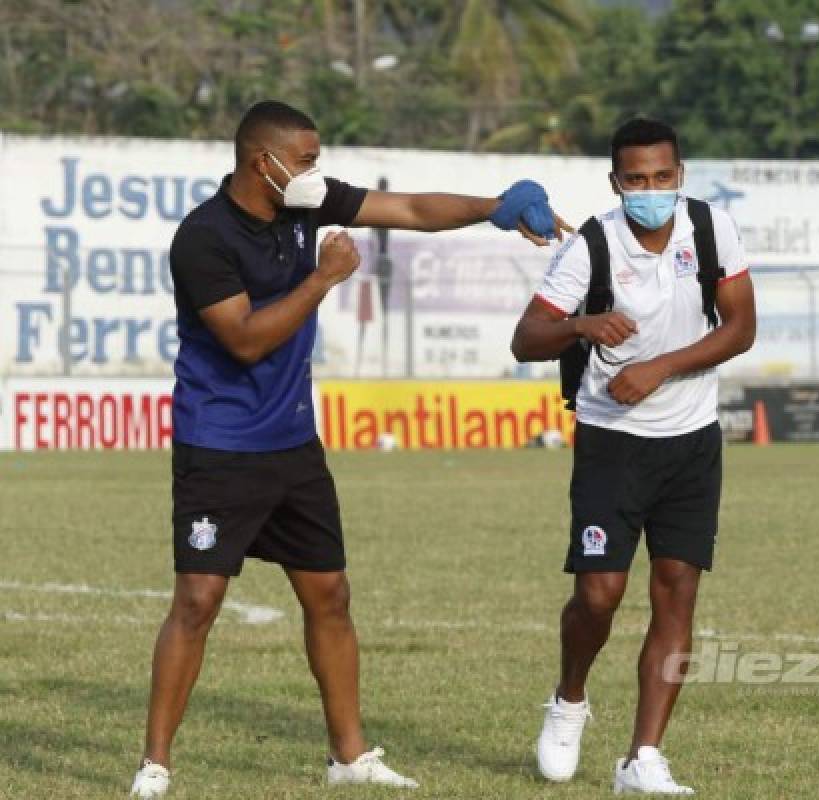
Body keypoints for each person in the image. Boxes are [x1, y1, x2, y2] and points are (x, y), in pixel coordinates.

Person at [130, 100, 569, 798]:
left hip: (294, 444)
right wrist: (322, 278)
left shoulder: (306, 203)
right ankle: (155, 765)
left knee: (330, 594)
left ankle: (349, 758)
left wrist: (495, 207)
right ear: (262, 163)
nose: (316, 170)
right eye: (305, 159)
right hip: (219, 443)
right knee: (198, 600)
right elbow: (244, 340)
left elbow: (411, 210)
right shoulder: (203, 238)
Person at [510, 118, 756, 795]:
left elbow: (741, 327)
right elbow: (526, 339)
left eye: (663, 177)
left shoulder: (711, 228)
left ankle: (642, 757)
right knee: (600, 595)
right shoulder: (591, 244)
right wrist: (581, 325)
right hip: (612, 442)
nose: (652, 190)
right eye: (638, 179)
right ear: (617, 182)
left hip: (692, 440)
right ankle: (569, 699)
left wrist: (660, 367)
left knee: (676, 595)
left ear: (680, 175)